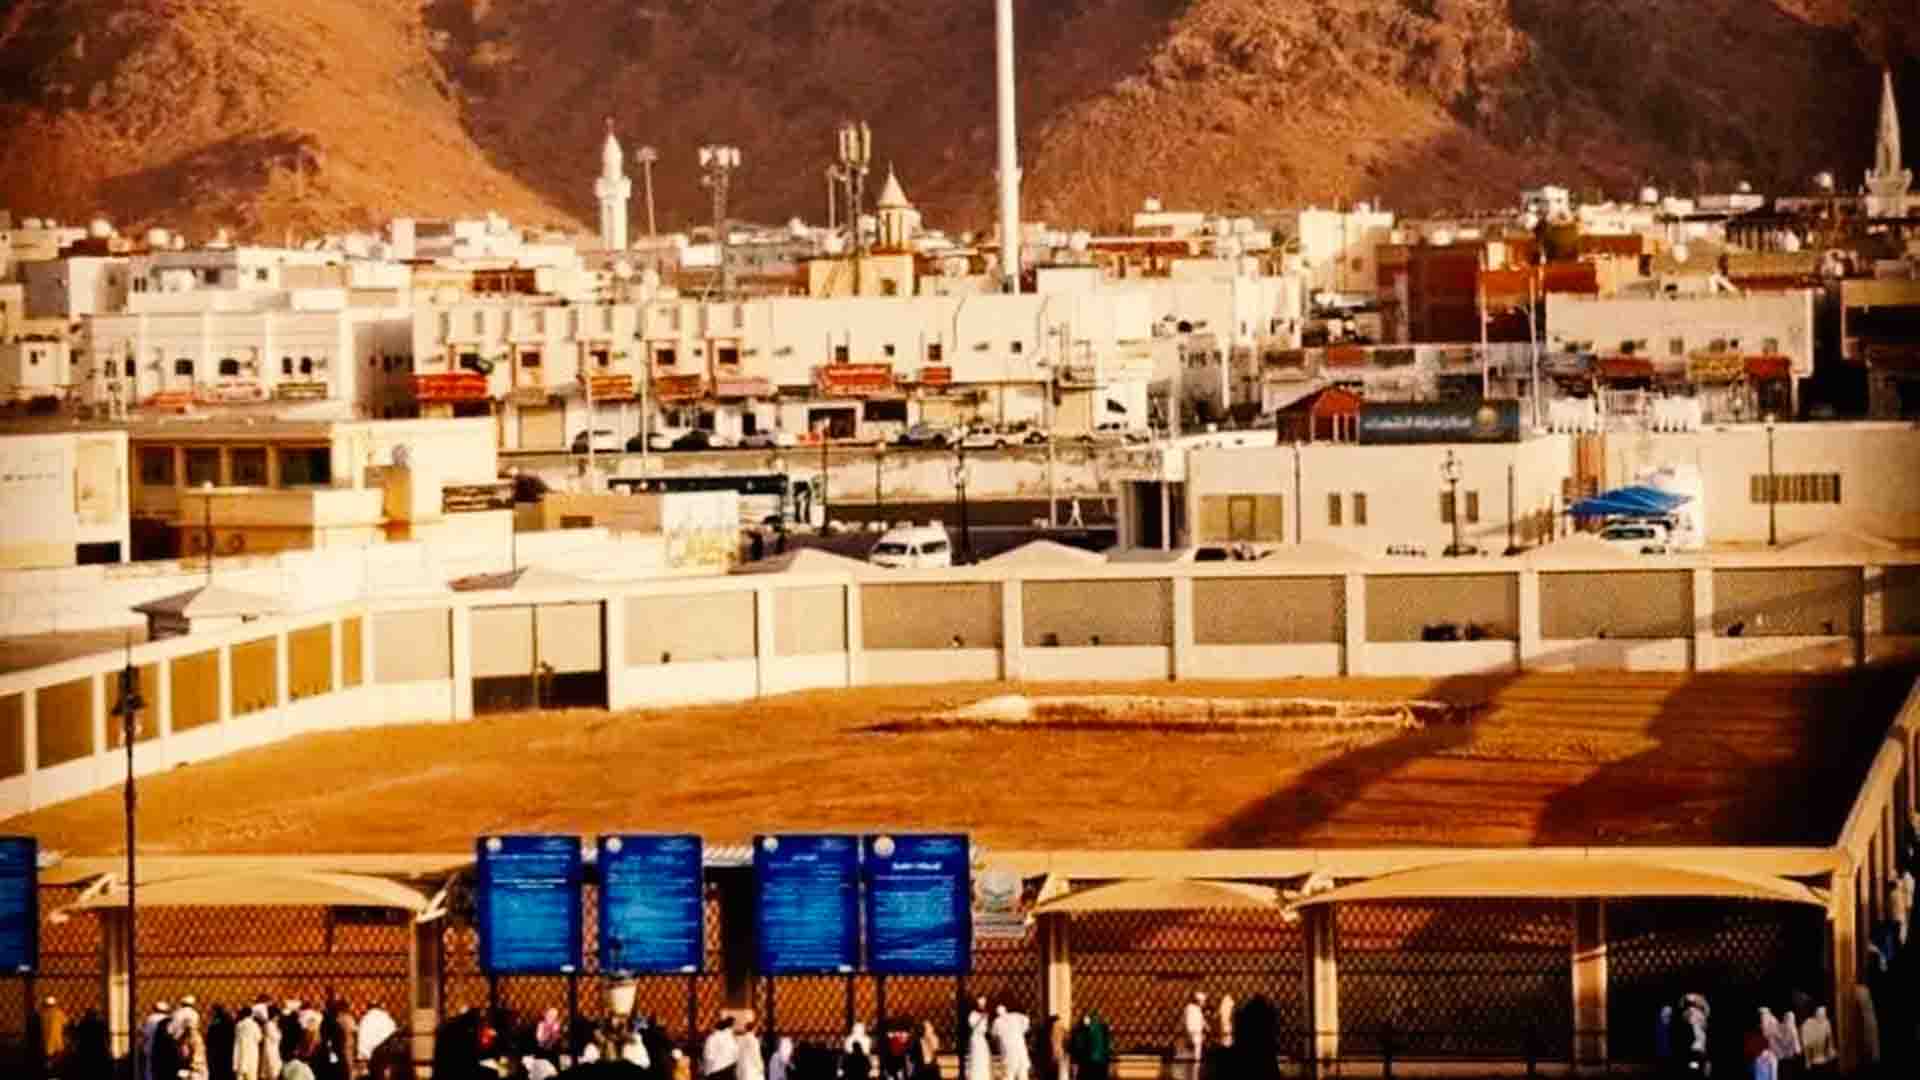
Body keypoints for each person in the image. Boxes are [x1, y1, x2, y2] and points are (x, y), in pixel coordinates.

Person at [991, 1005, 1031, 1080]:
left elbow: (994, 1034)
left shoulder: (997, 1021)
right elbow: (1026, 1021)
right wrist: (1022, 1030)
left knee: (1009, 1075)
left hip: (1010, 1052)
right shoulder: (1016, 1016)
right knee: (1022, 1075)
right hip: (1018, 1050)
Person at [357, 1003, 396, 1074]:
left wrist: (361, 1057)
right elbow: (394, 1036)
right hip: (385, 1056)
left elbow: (361, 1041)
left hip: (369, 1057)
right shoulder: (387, 1019)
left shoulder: (364, 1020)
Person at [36, 994, 67, 1079]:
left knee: (48, 1063)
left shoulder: (42, 1014)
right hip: (57, 1043)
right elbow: (66, 1023)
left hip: (46, 1043)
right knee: (57, 1063)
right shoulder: (59, 1013)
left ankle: (49, 1073)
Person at [1799, 1006, 1834, 1076]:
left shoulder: (1826, 1022)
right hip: (1811, 1054)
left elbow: (1829, 1037)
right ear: (1815, 1014)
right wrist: (1807, 1060)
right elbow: (1805, 1044)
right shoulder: (1807, 1024)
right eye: (1820, 1015)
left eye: (1824, 1015)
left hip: (1822, 1055)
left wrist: (1831, 1048)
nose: (1822, 1017)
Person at [1180, 993, 1206, 1080]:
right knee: (1192, 1061)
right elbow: (1188, 1024)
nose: (1204, 1003)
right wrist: (1190, 1036)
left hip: (1197, 1037)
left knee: (1196, 1060)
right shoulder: (1190, 1009)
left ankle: (1194, 1077)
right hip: (1193, 1037)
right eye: (1202, 1001)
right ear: (1198, 1001)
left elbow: (1202, 1021)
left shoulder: (1197, 1009)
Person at [1046, 1015, 1067, 1080]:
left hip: (1060, 1059)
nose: (1058, 1029)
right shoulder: (1048, 1037)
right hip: (1052, 1062)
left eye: (1059, 1026)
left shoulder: (1062, 1034)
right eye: (1056, 1026)